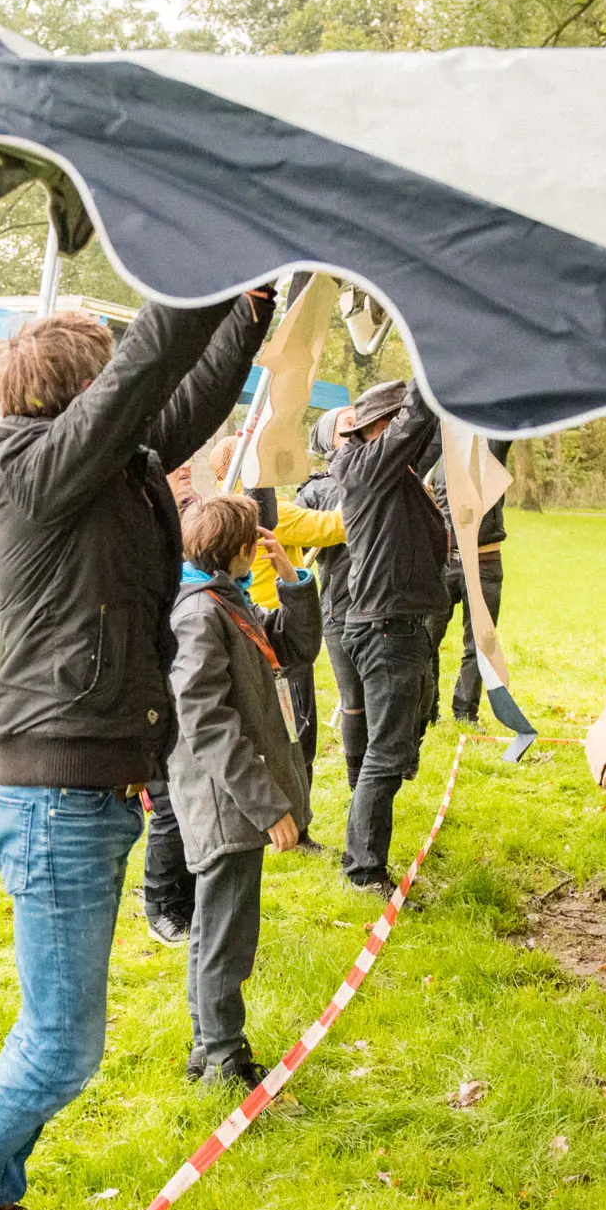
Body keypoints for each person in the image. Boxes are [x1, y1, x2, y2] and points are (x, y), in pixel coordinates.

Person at [0, 294, 274, 1210]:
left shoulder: (104, 464)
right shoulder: (28, 473)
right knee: (61, 1045)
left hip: (90, 783)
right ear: (80, 393)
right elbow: (145, 375)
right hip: (55, 790)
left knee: (47, 1030)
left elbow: (179, 399)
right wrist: (197, 281)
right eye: (103, 383)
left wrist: (249, 306)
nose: (119, 398)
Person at [165, 496, 320, 1087]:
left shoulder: (226, 598)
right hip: (224, 798)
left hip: (230, 795)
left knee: (216, 927)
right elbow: (205, 720)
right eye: (253, 543)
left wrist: (292, 581)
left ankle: (208, 1047)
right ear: (235, 548)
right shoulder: (198, 612)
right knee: (226, 936)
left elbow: (295, 648)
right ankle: (224, 1060)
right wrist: (267, 804)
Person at [328, 380, 449, 893]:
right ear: (381, 427)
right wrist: (431, 362)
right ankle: (363, 870)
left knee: (392, 750)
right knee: (385, 754)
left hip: (396, 625)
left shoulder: (389, 471)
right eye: (396, 426)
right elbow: (417, 419)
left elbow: (429, 429)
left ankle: (361, 856)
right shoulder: (366, 467)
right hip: (385, 630)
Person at [207, 435, 345, 849]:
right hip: (278, 632)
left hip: (249, 631)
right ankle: (296, 826)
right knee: (297, 731)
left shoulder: (217, 512)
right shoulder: (271, 513)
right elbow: (334, 527)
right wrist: (366, 492)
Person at [140, 459, 203, 947]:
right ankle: (160, 904)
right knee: (168, 805)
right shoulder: (150, 534)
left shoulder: (196, 511)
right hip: (158, 687)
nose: (186, 471)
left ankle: (190, 899)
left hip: (191, 681)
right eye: (176, 468)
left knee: (192, 803)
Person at [425, 439, 511, 724]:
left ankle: (465, 712)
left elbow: (507, 426)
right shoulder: (437, 450)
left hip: (484, 562)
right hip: (443, 563)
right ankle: (427, 711)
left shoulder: (490, 448)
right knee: (426, 639)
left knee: (479, 644)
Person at [297, 414, 361, 785]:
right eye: (346, 425)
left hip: (389, 603)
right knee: (353, 699)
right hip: (341, 606)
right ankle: (358, 782)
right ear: (328, 441)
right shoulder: (316, 490)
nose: (356, 428)